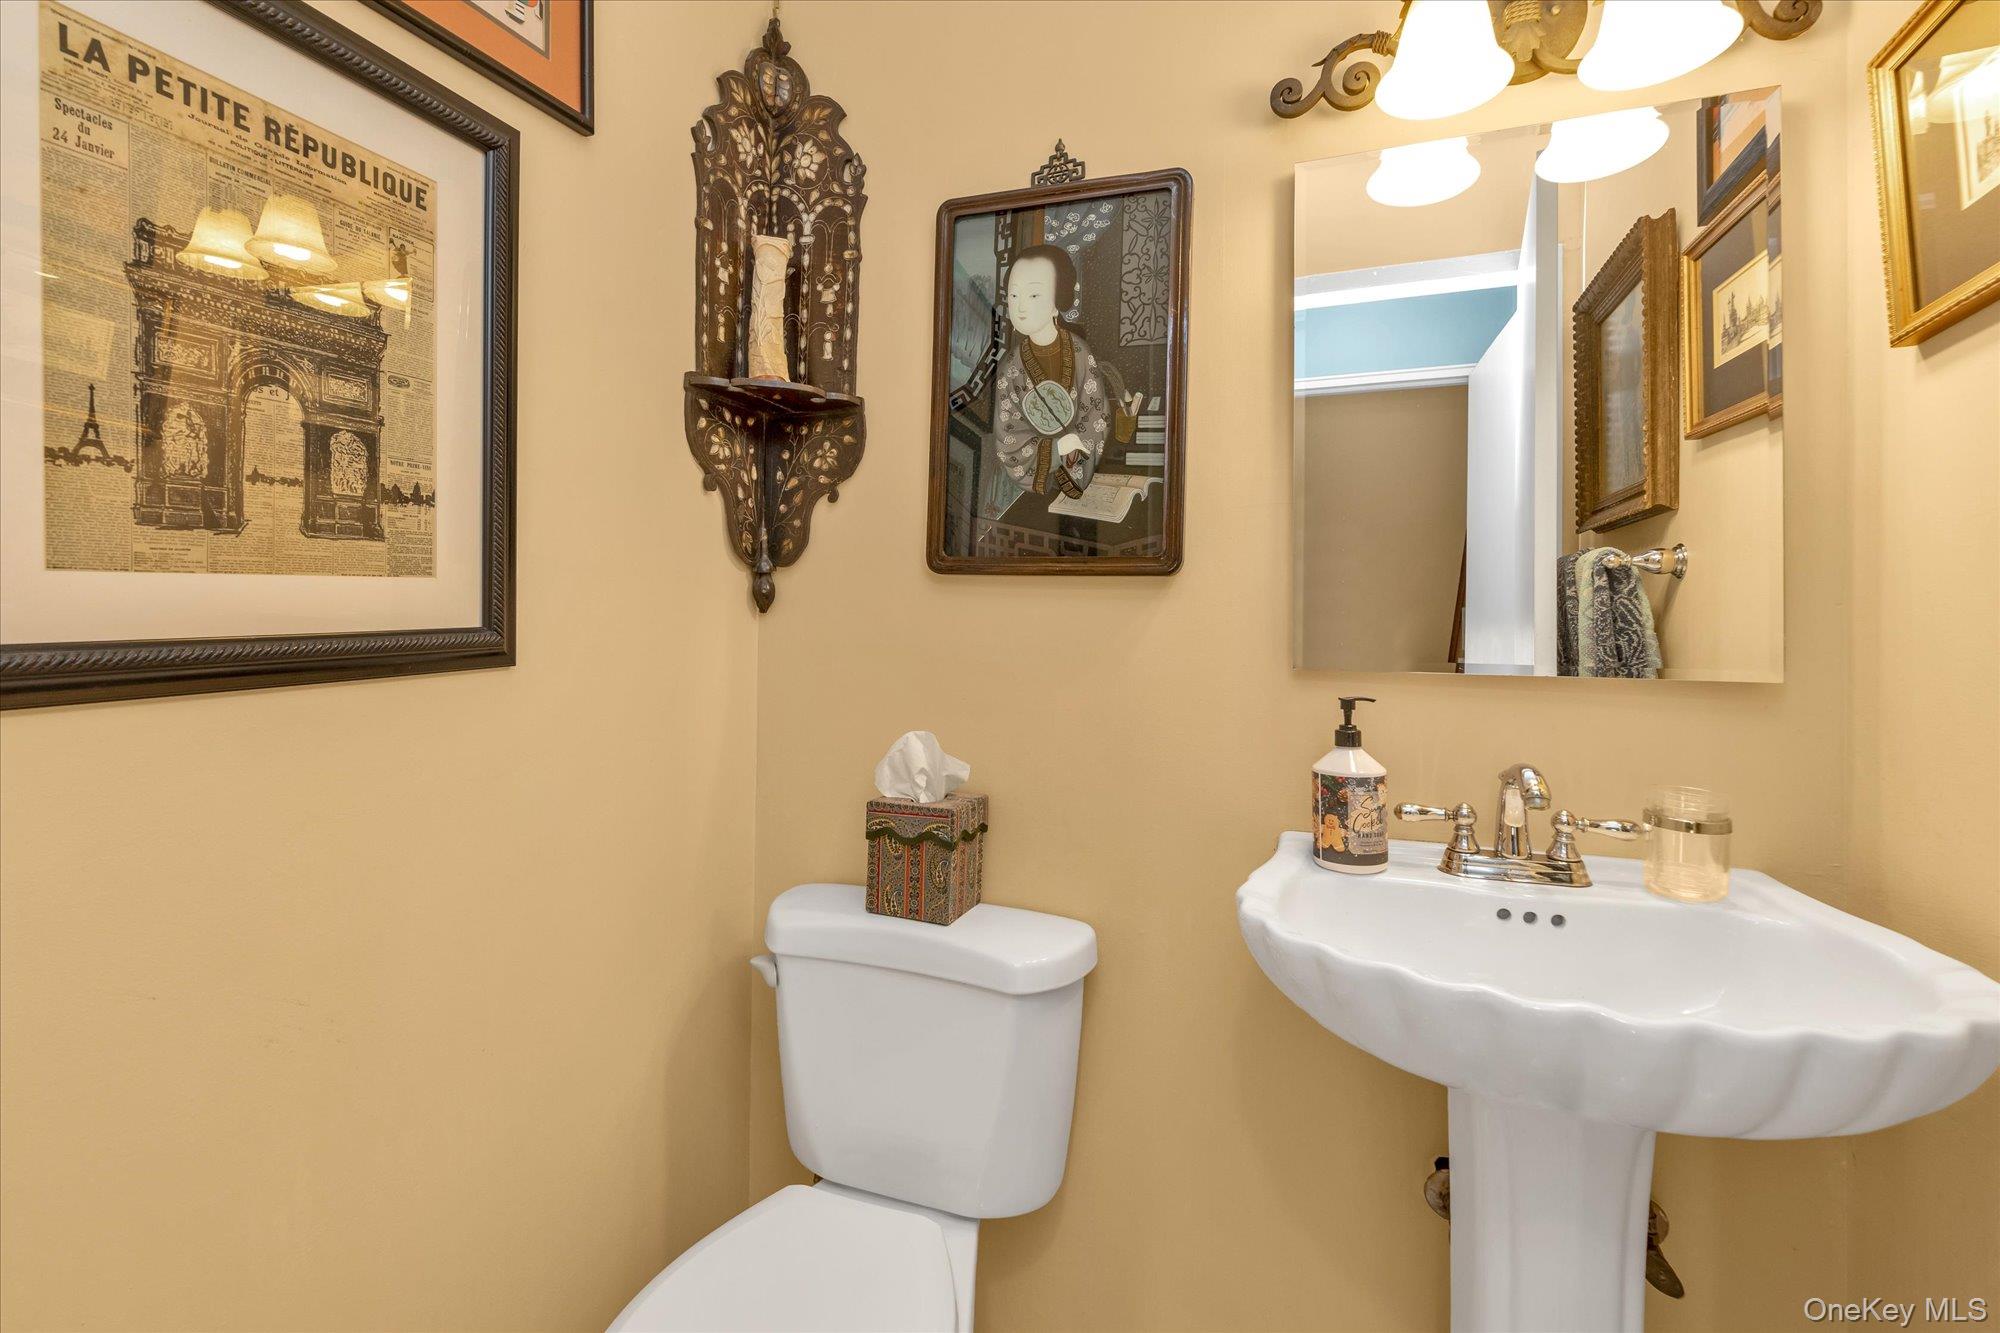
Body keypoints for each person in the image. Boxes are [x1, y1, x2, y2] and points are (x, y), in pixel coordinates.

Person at [991, 245, 1113, 501]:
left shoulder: (1079, 352)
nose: (1020, 307)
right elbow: (1008, 436)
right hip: (1034, 489)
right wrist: (1056, 449)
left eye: (1033, 295)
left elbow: (1096, 414)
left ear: (1058, 301)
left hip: (1076, 478)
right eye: (1014, 296)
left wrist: (1073, 451)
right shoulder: (1010, 369)